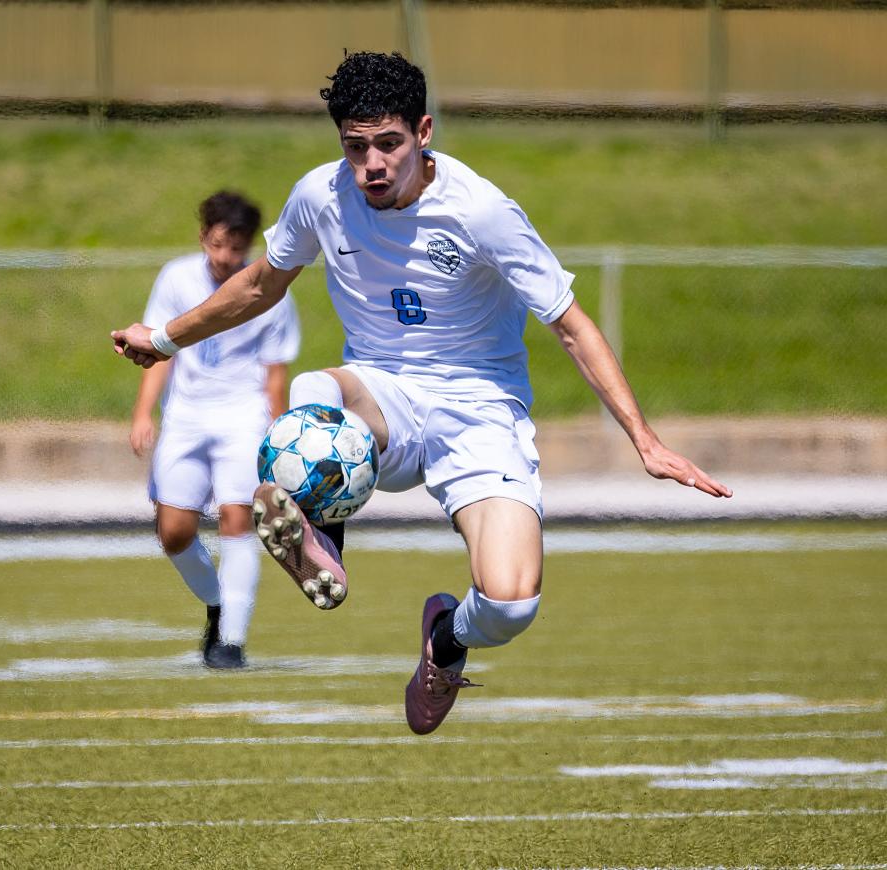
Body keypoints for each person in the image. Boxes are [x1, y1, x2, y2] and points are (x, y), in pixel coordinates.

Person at [112, 52, 731, 728]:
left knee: (511, 603)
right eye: (355, 146)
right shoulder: (321, 197)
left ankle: (446, 641)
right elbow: (261, 285)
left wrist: (645, 439)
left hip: (481, 413)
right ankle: (323, 544)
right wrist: (166, 339)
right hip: (382, 397)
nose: (371, 163)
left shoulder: (483, 212)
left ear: (424, 132)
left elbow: (572, 327)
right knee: (315, 387)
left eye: (388, 144)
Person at [129, 190, 300, 669]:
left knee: (237, 520)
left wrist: (275, 439)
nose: (227, 258)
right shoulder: (176, 277)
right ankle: (219, 603)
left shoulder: (269, 289)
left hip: (243, 417)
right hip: (185, 417)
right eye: (219, 245)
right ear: (204, 236)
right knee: (174, 533)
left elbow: (275, 375)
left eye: (237, 249)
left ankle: (231, 641)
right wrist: (144, 413)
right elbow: (159, 349)